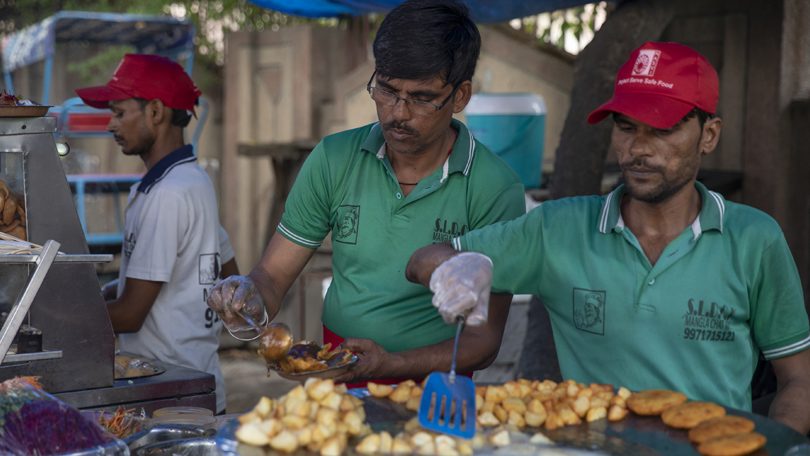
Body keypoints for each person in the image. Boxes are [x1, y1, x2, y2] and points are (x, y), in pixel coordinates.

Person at [406, 41, 810, 433]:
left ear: (709, 135)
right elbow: (422, 260)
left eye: (662, 129)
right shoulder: (558, 229)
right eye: (626, 127)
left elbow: (798, 379)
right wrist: (456, 269)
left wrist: (779, 441)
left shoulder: (755, 240)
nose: (638, 148)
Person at [206, 0, 525, 385]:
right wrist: (246, 297)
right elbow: (272, 277)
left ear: (460, 96)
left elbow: (483, 341)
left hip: (437, 393)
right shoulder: (333, 159)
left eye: (422, 98)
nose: (398, 113)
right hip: (337, 377)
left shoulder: (495, 186)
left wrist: (391, 364)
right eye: (387, 90)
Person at [76, 54, 238, 413]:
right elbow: (226, 268)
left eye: (119, 113)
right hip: (195, 381)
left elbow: (132, 314)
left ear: (155, 111)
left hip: (172, 394)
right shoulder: (191, 181)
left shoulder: (168, 194)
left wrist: (60, 317)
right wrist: (112, 289)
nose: (110, 125)